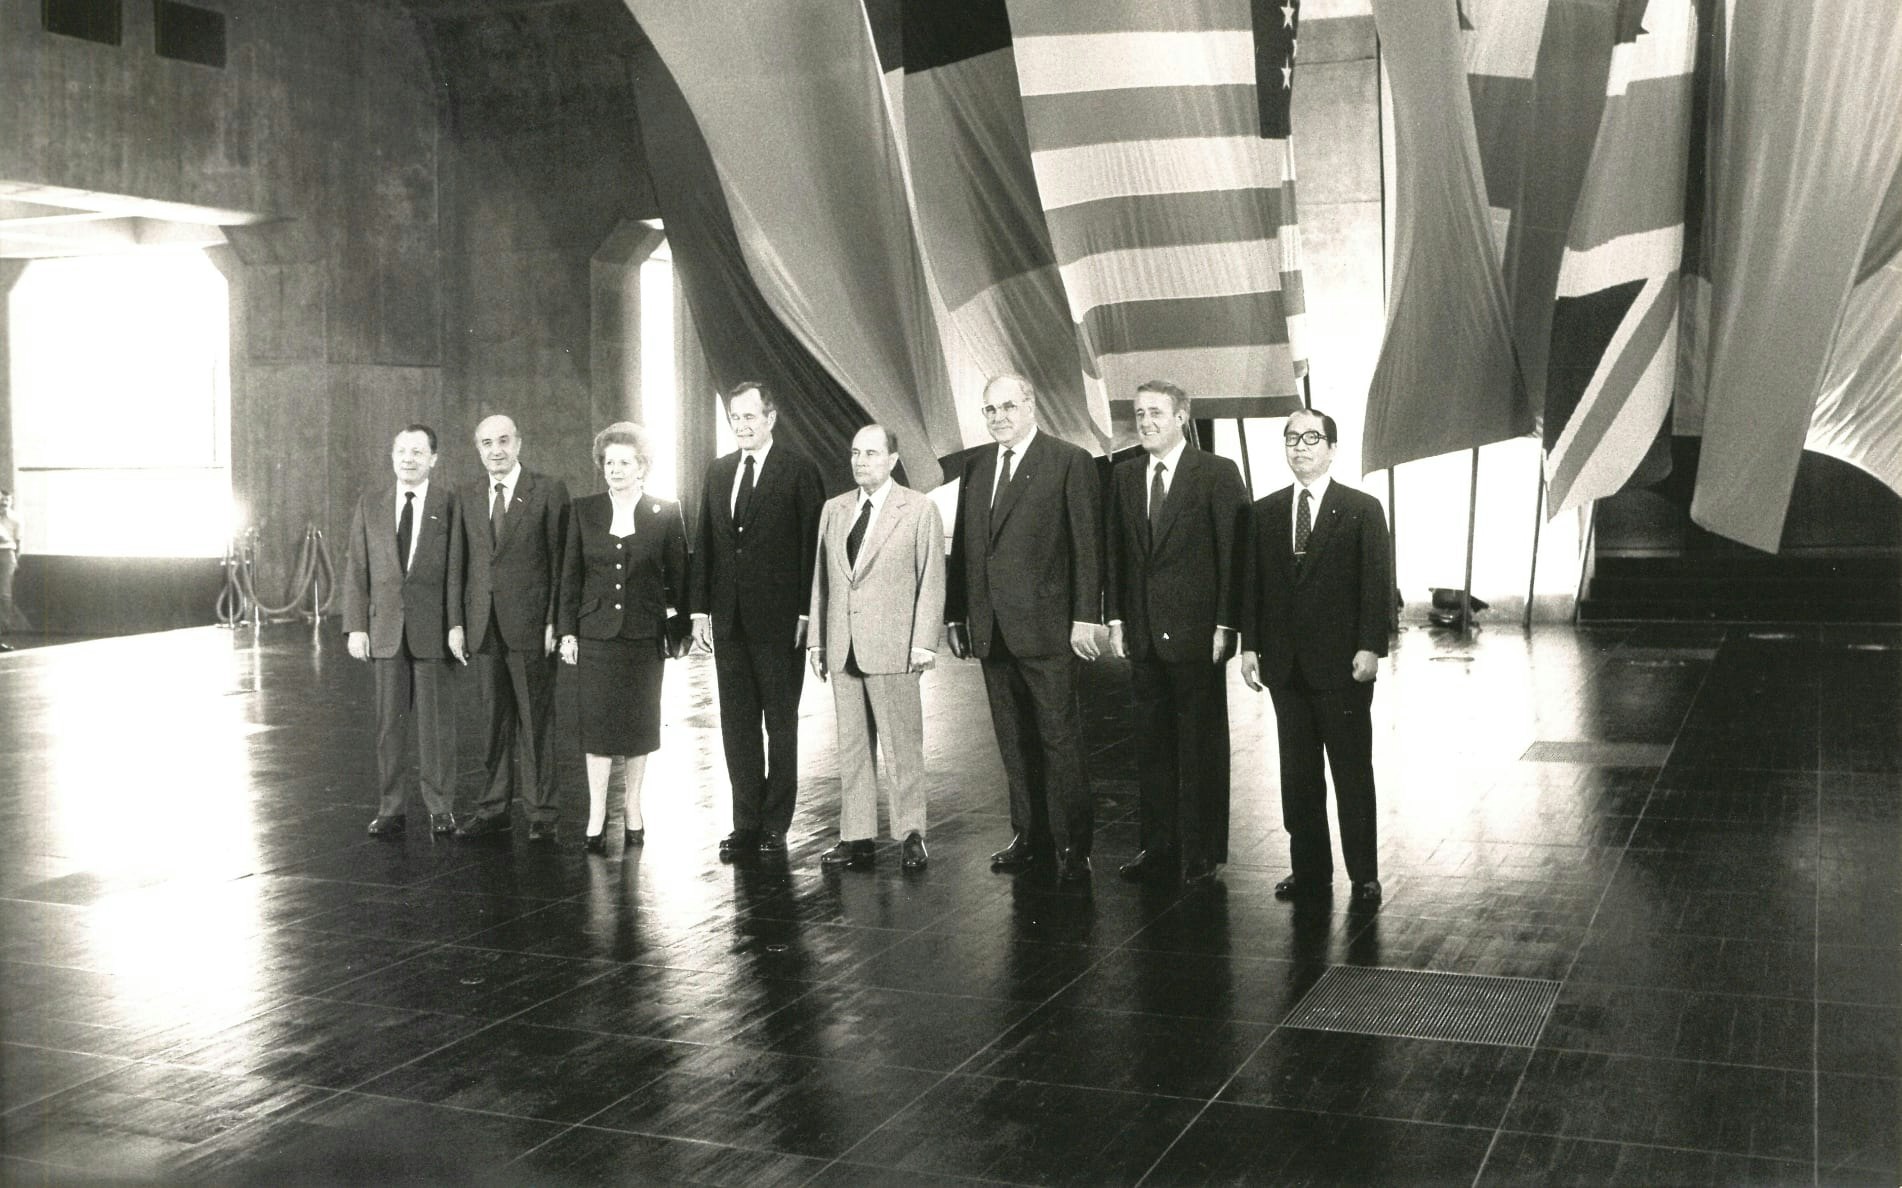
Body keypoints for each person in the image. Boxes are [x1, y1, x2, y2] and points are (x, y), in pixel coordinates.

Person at [945, 375, 1103, 882]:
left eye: (1008, 407)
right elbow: (967, 549)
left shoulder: (1068, 460)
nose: (998, 418)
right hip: (991, 629)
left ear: (1031, 405)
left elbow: (1087, 547)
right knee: (1013, 742)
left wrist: (1085, 617)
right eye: (989, 410)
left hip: (1049, 628)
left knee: (1059, 739)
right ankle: (1028, 834)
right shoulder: (976, 466)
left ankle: (1073, 843)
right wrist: (956, 615)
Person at [1240, 408, 1392, 905]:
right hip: (1284, 667)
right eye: (1291, 438)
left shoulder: (1361, 509)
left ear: (1331, 448)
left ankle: (1364, 875)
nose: (1300, 446)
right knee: (1298, 776)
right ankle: (1309, 871)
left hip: (1343, 666)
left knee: (1351, 771)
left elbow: (1376, 585)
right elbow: (1254, 590)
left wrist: (1371, 646)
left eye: (1311, 437)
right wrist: (1250, 648)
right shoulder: (1264, 512)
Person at [1106, 382, 1250, 887]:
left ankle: (1202, 851)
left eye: (1156, 413)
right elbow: (1117, 557)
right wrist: (1118, 620)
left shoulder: (1215, 474)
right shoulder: (1123, 477)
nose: (1145, 422)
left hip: (1197, 636)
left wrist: (1227, 626)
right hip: (1143, 635)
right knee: (1151, 749)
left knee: (1200, 746)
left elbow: (1235, 556)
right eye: (1139, 413)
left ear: (1182, 416)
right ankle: (1158, 847)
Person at [690, 382, 824, 862]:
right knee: (737, 725)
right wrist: (700, 610)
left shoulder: (799, 471)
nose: (742, 425)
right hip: (729, 622)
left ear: (771, 418)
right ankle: (745, 821)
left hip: (780, 622)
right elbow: (706, 542)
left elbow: (813, 547)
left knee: (781, 723)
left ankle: (775, 823)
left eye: (750, 417)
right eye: (736, 418)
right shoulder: (719, 471)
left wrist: (810, 614)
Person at [806, 425, 945, 872]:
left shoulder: (919, 509)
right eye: (855, 453)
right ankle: (856, 835)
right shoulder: (834, 509)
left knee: (902, 745)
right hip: (842, 646)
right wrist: (817, 641)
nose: (860, 461)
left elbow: (931, 582)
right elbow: (822, 581)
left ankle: (911, 834)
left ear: (892, 459)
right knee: (851, 747)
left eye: (870, 453)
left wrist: (925, 642)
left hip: (895, 647)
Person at [557, 422, 689, 853]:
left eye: (624, 462)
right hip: (595, 635)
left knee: (638, 725)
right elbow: (569, 577)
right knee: (596, 727)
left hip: (643, 637)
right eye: (609, 462)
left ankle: (633, 807)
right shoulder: (583, 510)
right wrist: (567, 632)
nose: (615, 469)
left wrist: (678, 629)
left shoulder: (665, 512)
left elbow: (679, 579)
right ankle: (597, 813)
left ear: (642, 467)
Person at [451, 414, 571, 844]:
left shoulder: (548, 490)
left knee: (536, 722)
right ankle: (493, 808)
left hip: (531, 626)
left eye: (503, 441)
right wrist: (456, 624)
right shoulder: (466, 495)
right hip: (483, 626)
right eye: (486, 443)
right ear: (477, 448)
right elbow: (457, 566)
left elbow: (561, 562)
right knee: (491, 723)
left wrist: (556, 620)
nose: (495, 450)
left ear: (519, 443)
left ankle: (542, 813)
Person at [341, 425, 462, 837]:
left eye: (417, 451)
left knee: (436, 727)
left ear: (434, 459)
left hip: (434, 631)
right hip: (385, 631)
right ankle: (391, 808)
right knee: (388, 726)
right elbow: (357, 570)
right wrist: (356, 627)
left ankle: (440, 806)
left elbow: (455, 574)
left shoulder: (449, 505)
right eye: (401, 451)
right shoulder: (370, 505)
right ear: (393, 456)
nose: (408, 459)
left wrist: (455, 625)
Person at [0, 490, 20, 651]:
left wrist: (15, 561)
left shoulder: (16, 519)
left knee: (5, 595)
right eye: (1, 500)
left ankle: (3, 632)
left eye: (7, 501)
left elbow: (18, 541)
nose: (3, 503)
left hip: (7, 554)